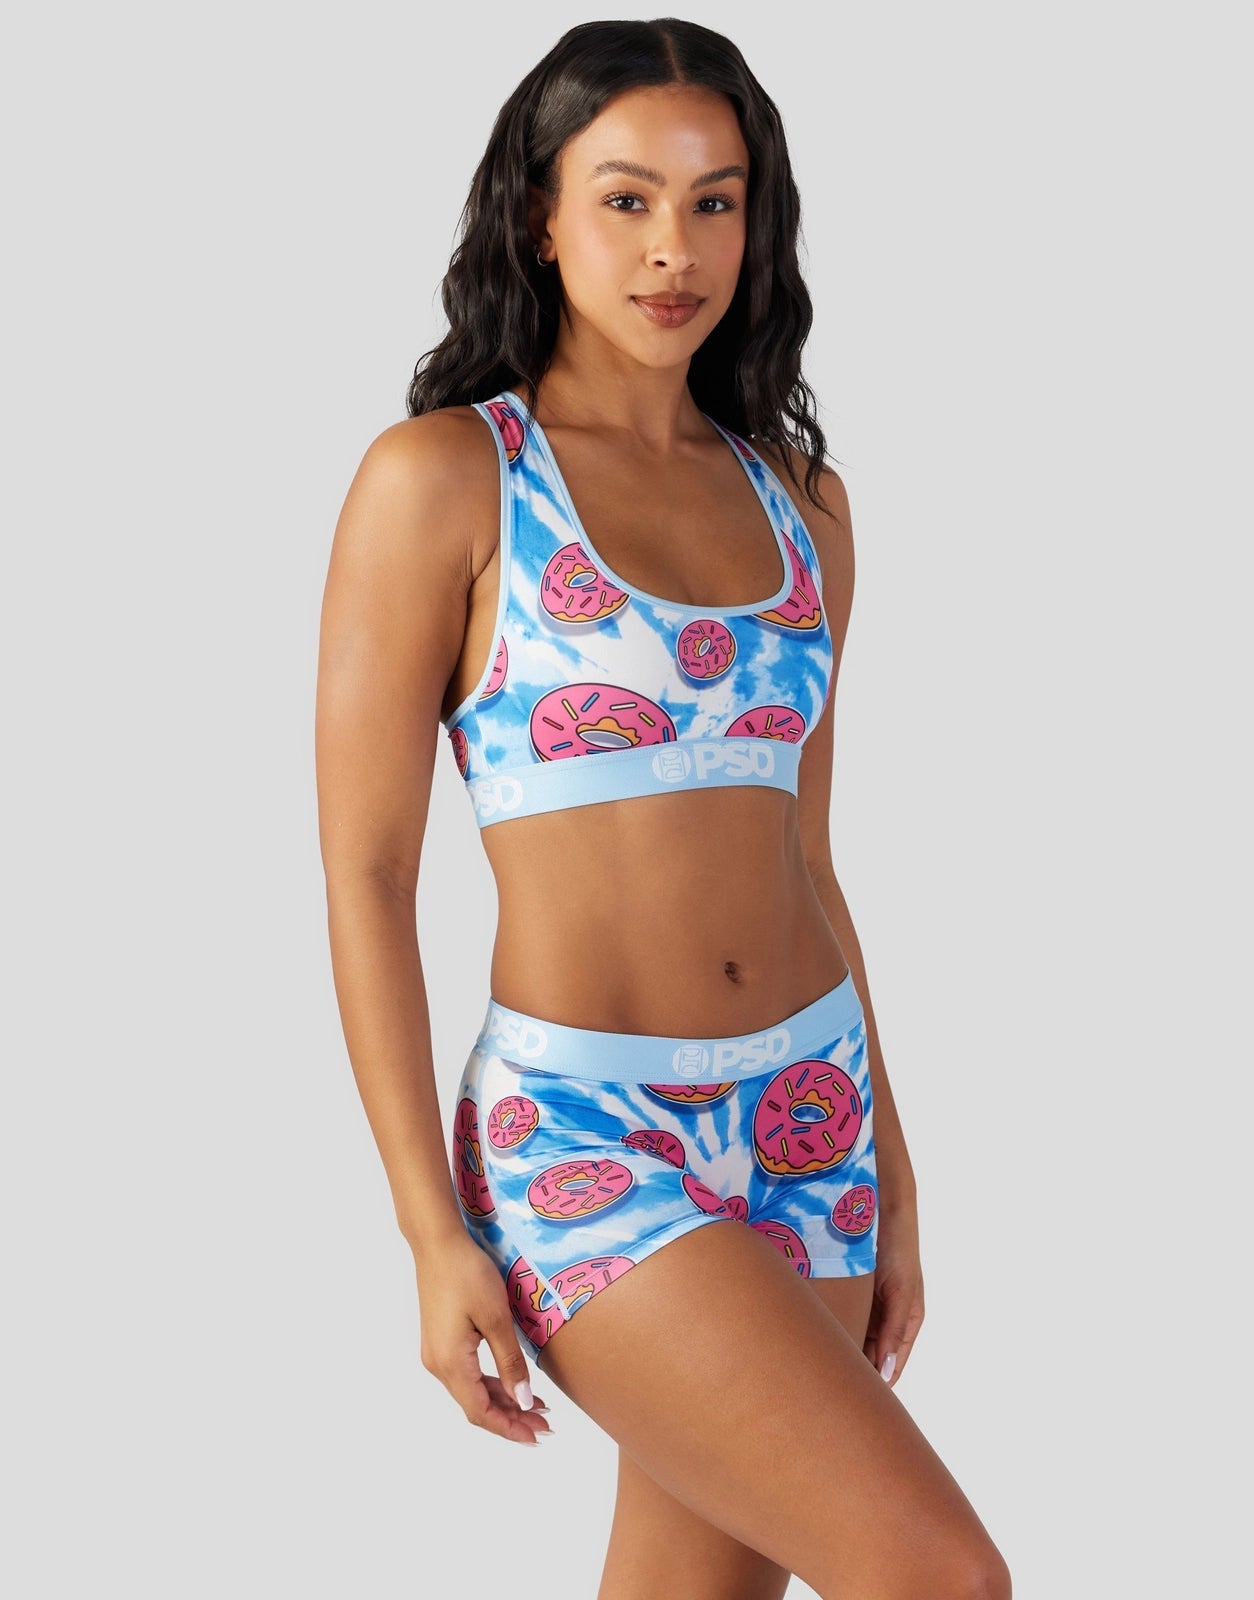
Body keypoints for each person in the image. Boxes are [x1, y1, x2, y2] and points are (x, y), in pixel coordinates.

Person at [316, 18, 1010, 1600]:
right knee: (940, 1575)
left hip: (811, 1117)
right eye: (625, 199)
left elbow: (806, 860)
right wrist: (428, 1227)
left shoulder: (803, 504)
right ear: (538, 217)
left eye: (716, 201)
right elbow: (366, 873)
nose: (672, 250)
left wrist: (894, 1165)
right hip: (586, 1134)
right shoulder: (444, 480)